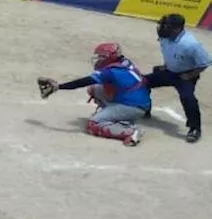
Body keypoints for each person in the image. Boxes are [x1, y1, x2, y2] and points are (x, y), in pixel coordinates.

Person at [36, 42, 150, 147]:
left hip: (132, 106)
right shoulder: (123, 62)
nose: (98, 60)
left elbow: (83, 82)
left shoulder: (112, 72)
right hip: (136, 100)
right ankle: (118, 118)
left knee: (93, 124)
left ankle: (131, 132)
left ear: (109, 57)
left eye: (101, 57)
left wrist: (59, 86)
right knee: (94, 89)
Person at [146, 14, 209, 143]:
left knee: (187, 97)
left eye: (166, 26)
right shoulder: (165, 37)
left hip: (185, 75)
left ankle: (195, 128)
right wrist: (166, 65)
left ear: (177, 29)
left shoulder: (190, 44)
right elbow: (170, 52)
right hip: (169, 71)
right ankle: (144, 108)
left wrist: (190, 75)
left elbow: (204, 63)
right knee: (142, 82)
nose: (162, 28)